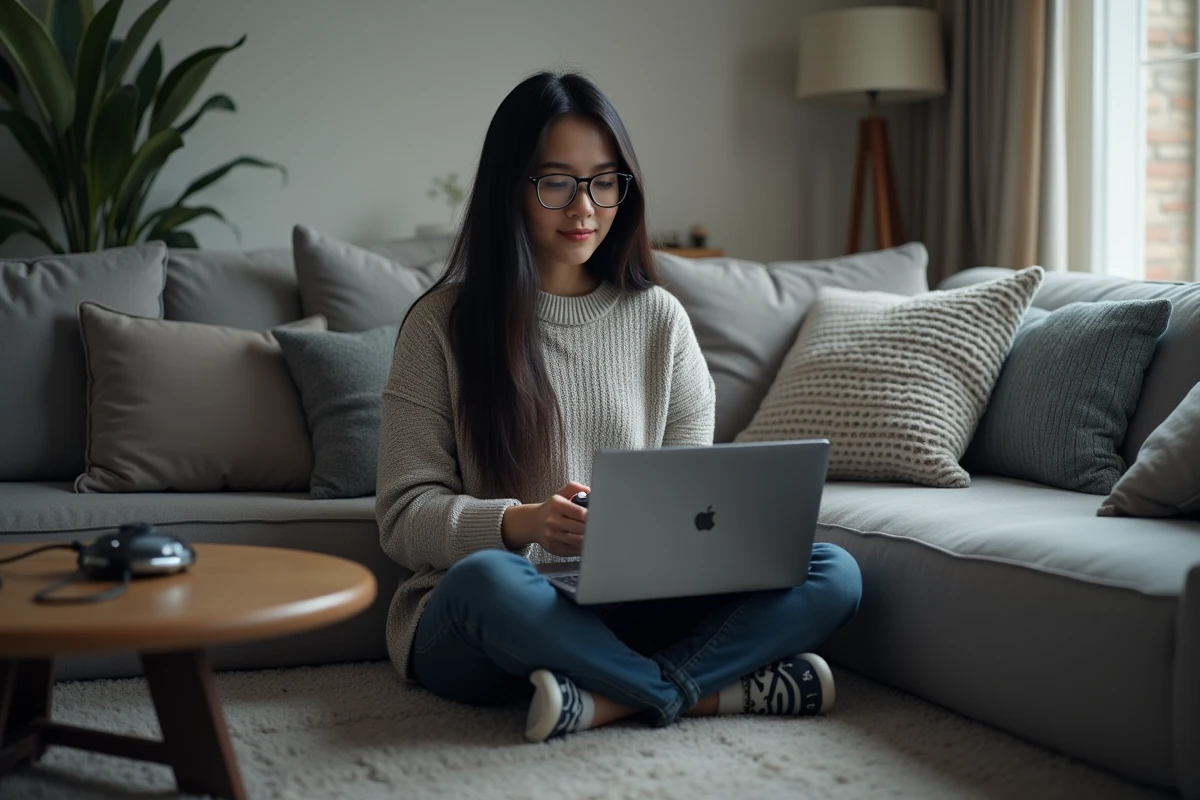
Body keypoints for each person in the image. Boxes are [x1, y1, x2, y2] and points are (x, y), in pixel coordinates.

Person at [376, 70, 863, 743]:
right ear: (508, 190)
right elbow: (402, 517)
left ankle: (610, 696)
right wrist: (523, 524)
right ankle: (705, 690)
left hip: (630, 610)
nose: (584, 209)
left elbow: (695, 506)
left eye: (604, 182)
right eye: (557, 183)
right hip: (495, 619)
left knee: (833, 572)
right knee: (487, 580)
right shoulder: (440, 325)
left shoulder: (660, 320)